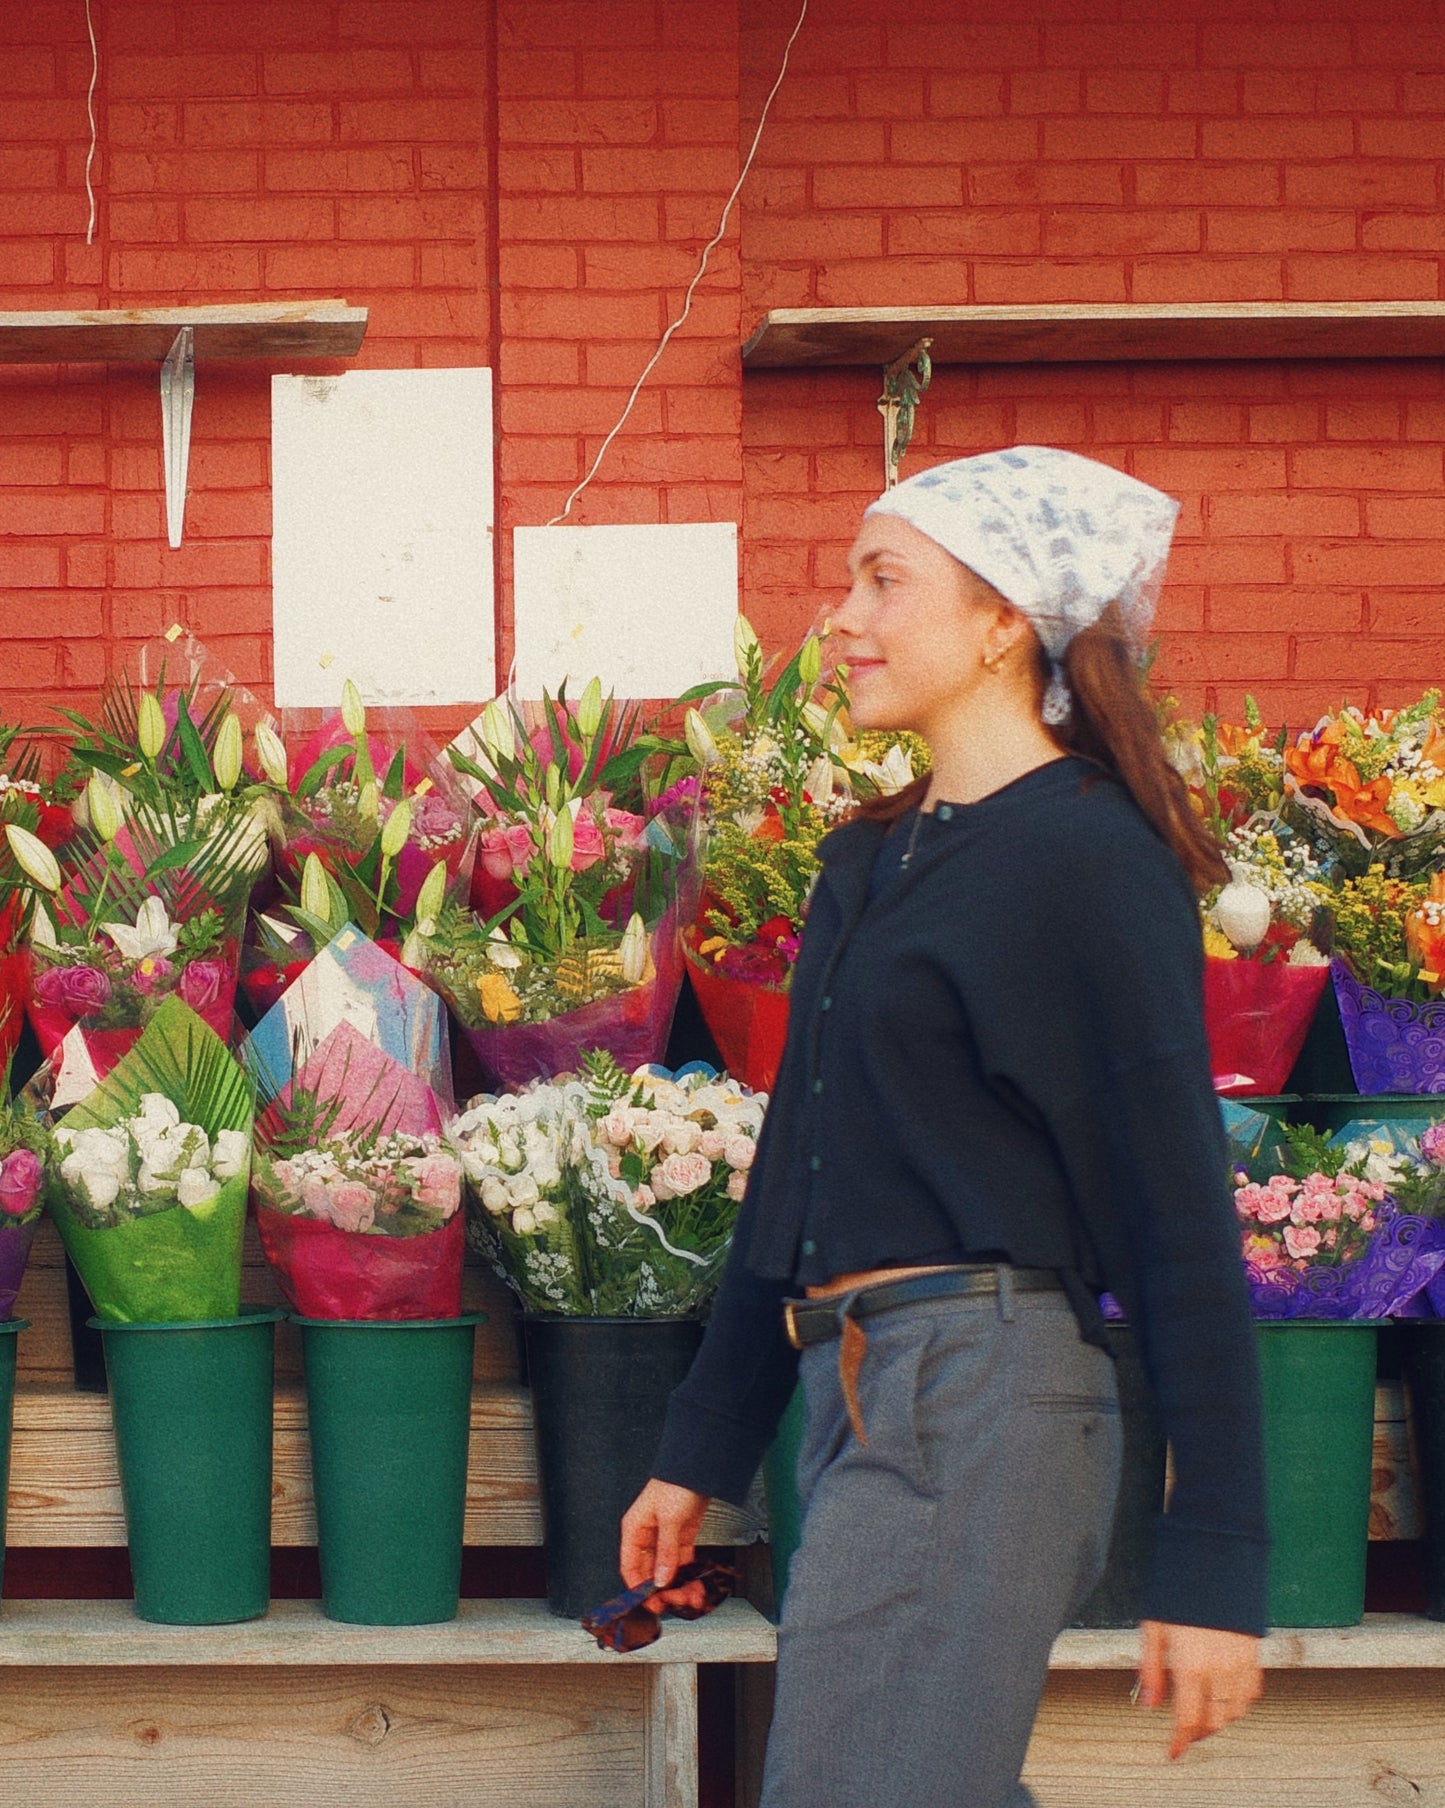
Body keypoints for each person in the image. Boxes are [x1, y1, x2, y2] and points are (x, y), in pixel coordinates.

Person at [620, 446, 1269, 1808]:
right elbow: (794, 1179)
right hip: (857, 1385)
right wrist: (699, 1446)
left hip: (980, 1391)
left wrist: (1213, 1556)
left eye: (882, 580)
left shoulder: (1089, 861)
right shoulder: (873, 857)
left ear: (997, 626)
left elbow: (1174, 1215)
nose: (839, 617)